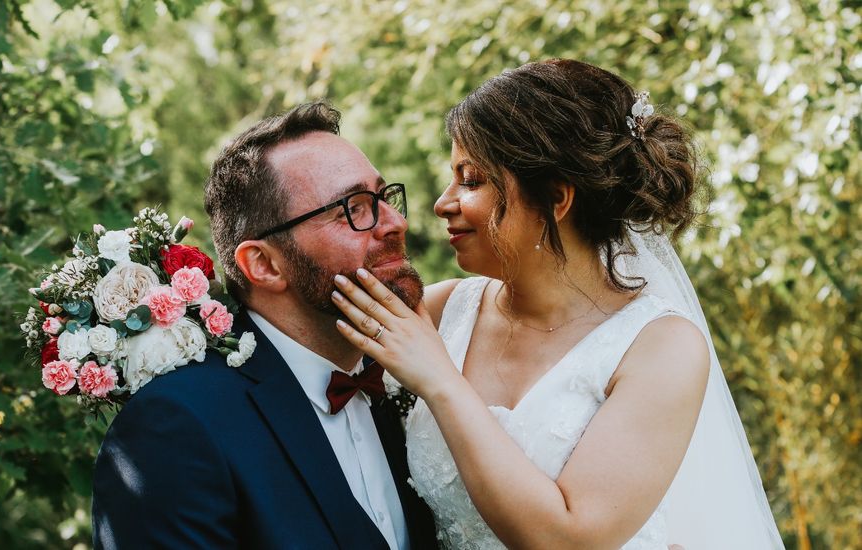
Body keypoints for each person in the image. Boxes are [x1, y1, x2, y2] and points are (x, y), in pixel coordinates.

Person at [332, 59, 785, 549]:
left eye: (471, 179)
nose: (442, 203)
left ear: (556, 197)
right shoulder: (441, 314)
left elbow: (570, 540)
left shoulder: (660, 347)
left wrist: (441, 382)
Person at [91, 102, 437, 549]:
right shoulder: (175, 429)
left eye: (383, 198)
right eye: (354, 208)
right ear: (264, 264)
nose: (396, 223)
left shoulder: (403, 378)